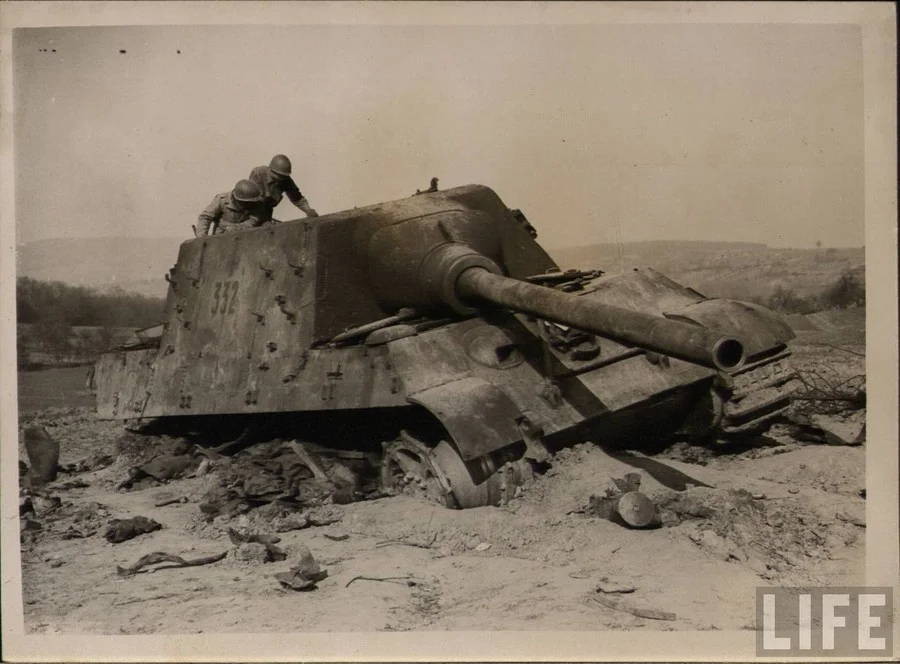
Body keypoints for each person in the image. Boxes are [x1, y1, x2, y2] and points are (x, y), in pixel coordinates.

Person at [248, 154, 319, 222]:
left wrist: (308, 210)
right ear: (270, 170)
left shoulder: (285, 180)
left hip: (266, 214)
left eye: (282, 176)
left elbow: (297, 198)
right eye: (276, 175)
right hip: (249, 212)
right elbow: (249, 199)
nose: (279, 178)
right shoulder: (258, 173)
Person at [195, 179, 265, 237]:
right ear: (237, 199)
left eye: (250, 203)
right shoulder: (222, 200)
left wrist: (238, 228)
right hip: (221, 238)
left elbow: (255, 219)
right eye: (245, 202)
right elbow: (205, 217)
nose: (248, 205)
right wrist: (202, 238)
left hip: (246, 237)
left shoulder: (255, 201)